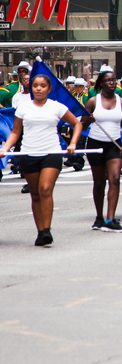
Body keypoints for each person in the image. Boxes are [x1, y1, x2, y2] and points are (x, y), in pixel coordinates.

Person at [0, 73, 83, 246]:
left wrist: (73, 143)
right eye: (35, 85)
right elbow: (15, 131)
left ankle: (47, 229)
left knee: (45, 189)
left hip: (51, 153)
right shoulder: (23, 108)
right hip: (28, 153)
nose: (38, 89)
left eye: (42, 86)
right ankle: (40, 231)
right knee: (35, 194)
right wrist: (6, 148)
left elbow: (77, 124)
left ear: (49, 89)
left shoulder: (57, 107)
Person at [84, 71, 122, 232]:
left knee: (115, 179)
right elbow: (81, 124)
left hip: (114, 145)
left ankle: (110, 219)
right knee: (99, 183)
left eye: (113, 80)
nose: (112, 83)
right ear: (101, 83)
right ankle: (99, 217)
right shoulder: (93, 102)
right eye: (108, 80)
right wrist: (88, 120)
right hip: (95, 144)